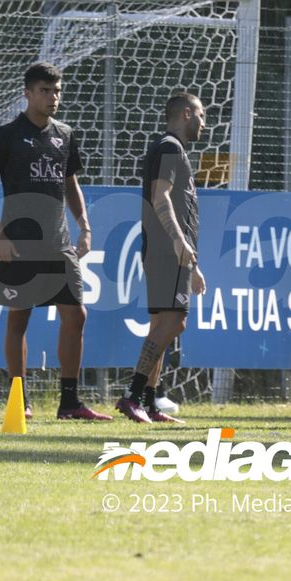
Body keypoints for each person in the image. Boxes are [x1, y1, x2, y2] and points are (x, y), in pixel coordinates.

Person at [0, 62, 111, 421]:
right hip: (19, 243)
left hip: (59, 242)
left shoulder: (64, 134)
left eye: (57, 91)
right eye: (45, 91)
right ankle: (19, 399)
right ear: (28, 93)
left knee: (76, 315)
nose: (53, 97)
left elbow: (70, 184)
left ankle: (69, 402)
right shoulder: (6, 134)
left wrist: (84, 226)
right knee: (18, 320)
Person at [116, 92, 208, 423]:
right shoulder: (170, 147)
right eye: (201, 115)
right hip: (166, 250)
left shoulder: (171, 148)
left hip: (166, 251)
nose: (204, 123)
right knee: (174, 321)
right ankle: (133, 395)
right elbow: (161, 197)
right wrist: (179, 242)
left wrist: (193, 265)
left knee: (162, 324)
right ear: (186, 114)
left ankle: (151, 403)